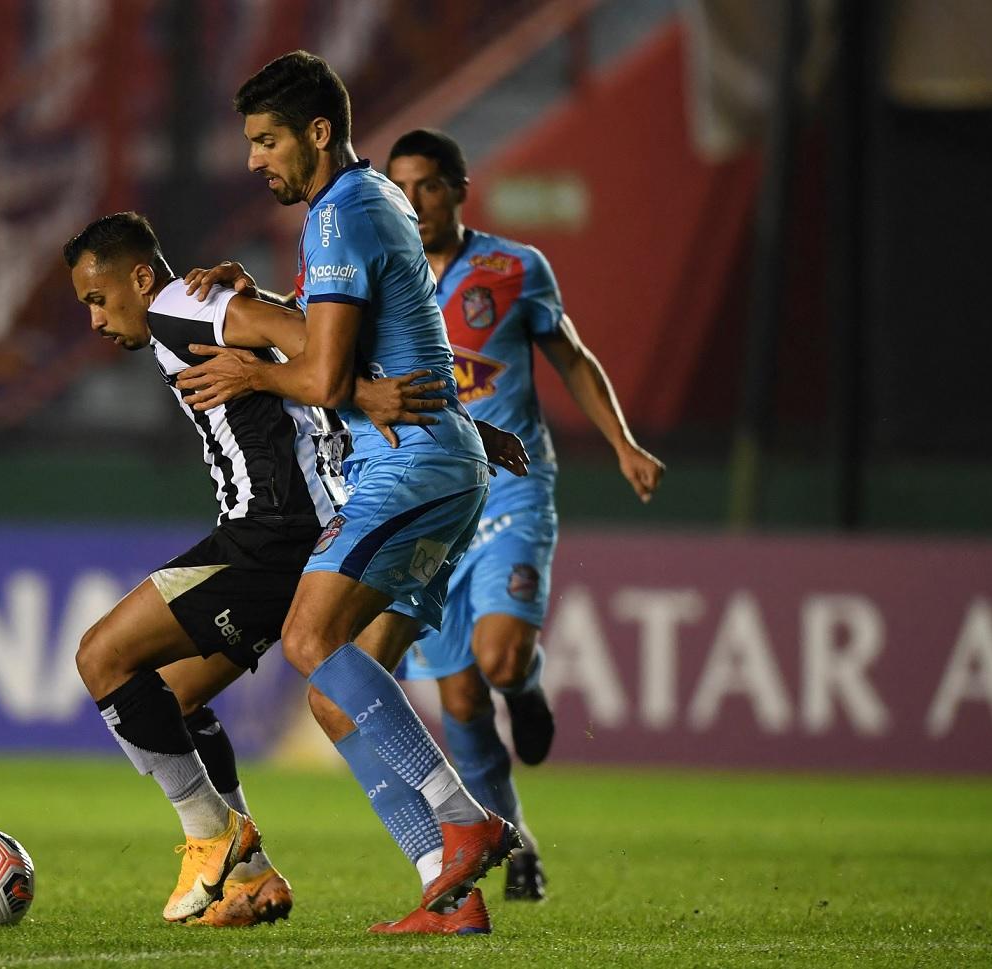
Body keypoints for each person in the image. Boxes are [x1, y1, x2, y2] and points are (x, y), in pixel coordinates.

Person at [175, 51, 522, 934]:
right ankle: (450, 890)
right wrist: (261, 296)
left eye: (266, 140)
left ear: (318, 133)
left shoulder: (341, 215)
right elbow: (362, 340)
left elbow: (329, 372)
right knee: (335, 689)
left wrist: (252, 370)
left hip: (408, 469)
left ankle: (463, 816)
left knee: (306, 635)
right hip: (435, 466)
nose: (255, 159)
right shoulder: (365, 204)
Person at [63, 211, 464, 927]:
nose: (94, 320)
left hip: (270, 535)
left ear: (140, 276)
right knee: (177, 697)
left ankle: (215, 836)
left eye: (98, 298)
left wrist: (364, 392)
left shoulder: (177, 305)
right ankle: (250, 878)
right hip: (289, 531)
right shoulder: (191, 310)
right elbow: (294, 327)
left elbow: (308, 343)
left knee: (102, 655)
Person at [385, 129, 667, 901]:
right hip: (423, 510)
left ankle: (530, 685)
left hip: (510, 487)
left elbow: (571, 357)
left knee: (500, 662)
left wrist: (624, 444)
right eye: (399, 188)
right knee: (461, 698)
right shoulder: (378, 275)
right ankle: (514, 840)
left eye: (428, 186)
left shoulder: (512, 270)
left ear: (458, 187)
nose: (414, 202)